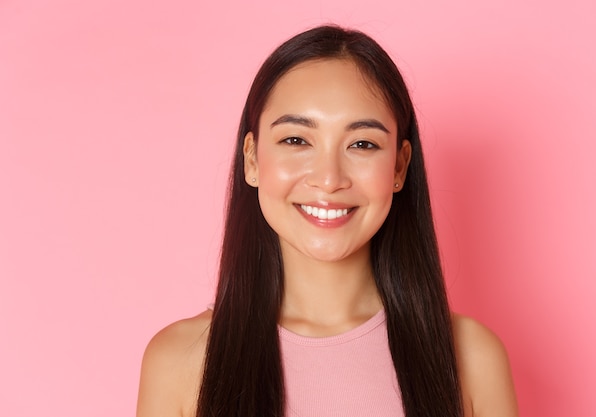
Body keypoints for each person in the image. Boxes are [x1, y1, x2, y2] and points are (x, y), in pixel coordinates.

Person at [136, 25, 518, 417]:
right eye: (296, 140)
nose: (329, 178)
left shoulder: (471, 358)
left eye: (362, 144)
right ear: (252, 159)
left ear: (400, 166)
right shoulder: (180, 361)